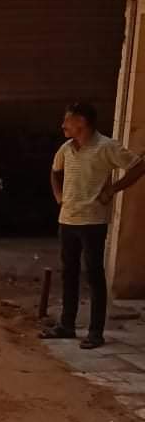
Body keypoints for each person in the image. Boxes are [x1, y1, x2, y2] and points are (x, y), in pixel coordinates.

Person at [43, 101, 144, 349]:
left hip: (93, 221)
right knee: (69, 273)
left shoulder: (106, 147)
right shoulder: (66, 149)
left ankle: (95, 332)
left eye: (68, 120)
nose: (63, 125)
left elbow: (138, 166)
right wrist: (58, 196)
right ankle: (67, 325)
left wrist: (113, 189)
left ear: (82, 122)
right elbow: (55, 172)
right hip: (67, 219)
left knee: (94, 275)